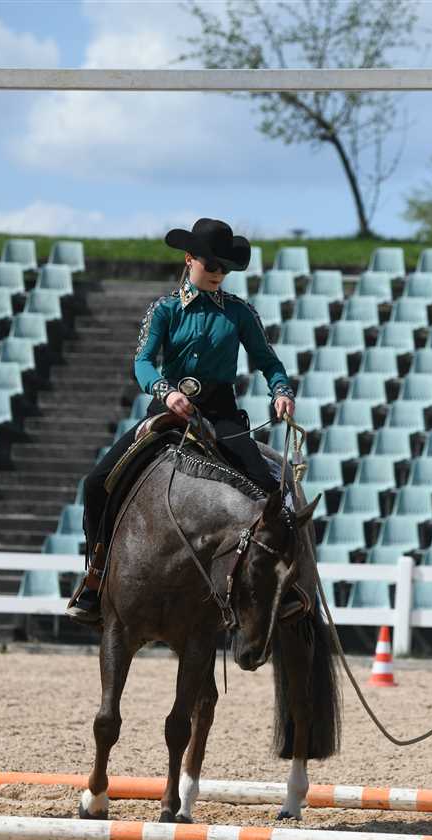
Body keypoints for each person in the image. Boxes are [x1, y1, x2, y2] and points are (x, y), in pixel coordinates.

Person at [66, 217, 296, 624]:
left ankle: (282, 584)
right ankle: (97, 574)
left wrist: (281, 391)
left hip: (221, 414)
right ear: (190, 259)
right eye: (211, 265)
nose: (218, 274)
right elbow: (142, 362)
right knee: (97, 482)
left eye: (225, 268)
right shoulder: (165, 310)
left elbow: (269, 362)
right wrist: (165, 391)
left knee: (269, 492)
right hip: (168, 410)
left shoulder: (241, 313)